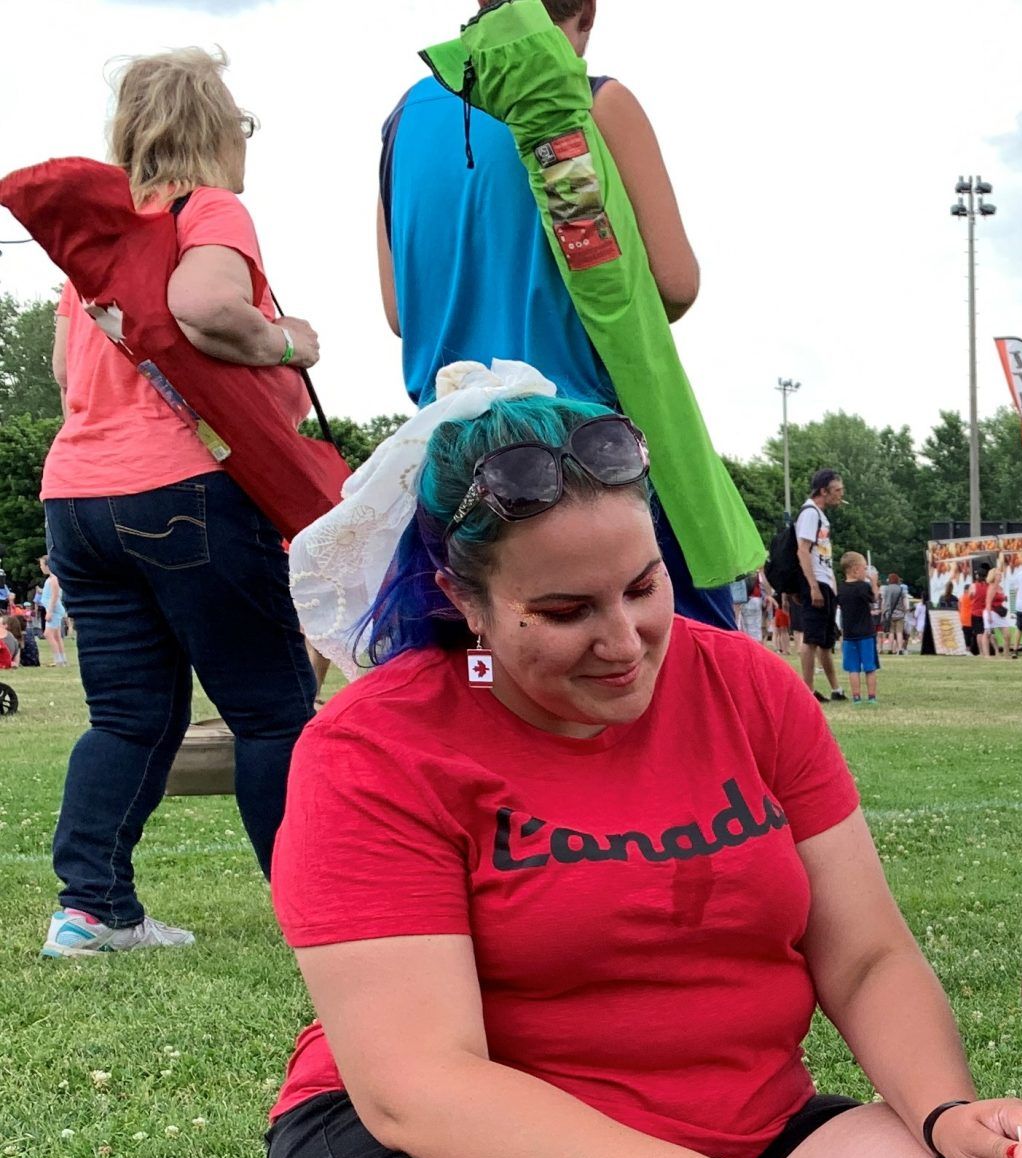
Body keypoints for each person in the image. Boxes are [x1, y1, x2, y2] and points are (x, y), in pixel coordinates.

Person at [258, 395, 1022, 1158]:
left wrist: (942, 1112)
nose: (625, 640)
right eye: (565, 609)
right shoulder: (376, 746)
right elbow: (417, 1084)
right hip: (460, 1152)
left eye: (643, 588)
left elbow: (867, 953)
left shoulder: (749, 688)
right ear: (463, 601)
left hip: (724, 1133)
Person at [38, 48, 322, 960]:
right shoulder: (209, 210)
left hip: (78, 498)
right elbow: (205, 305)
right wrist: (290, 340)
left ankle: (92, 909)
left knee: (126, 715)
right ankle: (319, 912)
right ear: (220, 130)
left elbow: (61, 375)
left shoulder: (94, 243)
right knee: (273, 711)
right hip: (185, 489)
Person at [376, 0, 739, 631]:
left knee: (480, 687)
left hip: (458, 458)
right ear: (587, 13)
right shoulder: (595, 102)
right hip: (589, 457)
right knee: (669, 675)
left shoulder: (403, 118)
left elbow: (399, 313)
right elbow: (674, 284)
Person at [795, 471, 845, 701]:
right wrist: (812, 586)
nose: (840, 495)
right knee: (812, 639)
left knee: (825, 640)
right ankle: (807, 690)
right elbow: (802, 550)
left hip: (824, 581)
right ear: (823, 491)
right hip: (814, 581)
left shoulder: (820, 516)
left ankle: (836, 688)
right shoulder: (809, 513)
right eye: (837, 490)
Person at [838, 550, 878, 703]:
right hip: (866, 633)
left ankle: (856, 697)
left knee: (853, 668)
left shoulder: (841, 589)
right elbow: (874, 598)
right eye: (864, 568)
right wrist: (873, 583)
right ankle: (872, 697)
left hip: (849, 634)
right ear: (855, 569)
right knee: (870, 667)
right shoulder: (863, 587)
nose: (866, 571)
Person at [36, 558, 69, 667]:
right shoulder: (51, 579)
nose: (40, 567)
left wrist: (49, 611)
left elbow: (55, 596)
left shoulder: (54, 579)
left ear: (48, 566)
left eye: (41, 565)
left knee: (48, 634)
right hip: (54, 609)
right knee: (57, 636)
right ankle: (62, 659)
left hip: (54, 609)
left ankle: (58, 660)